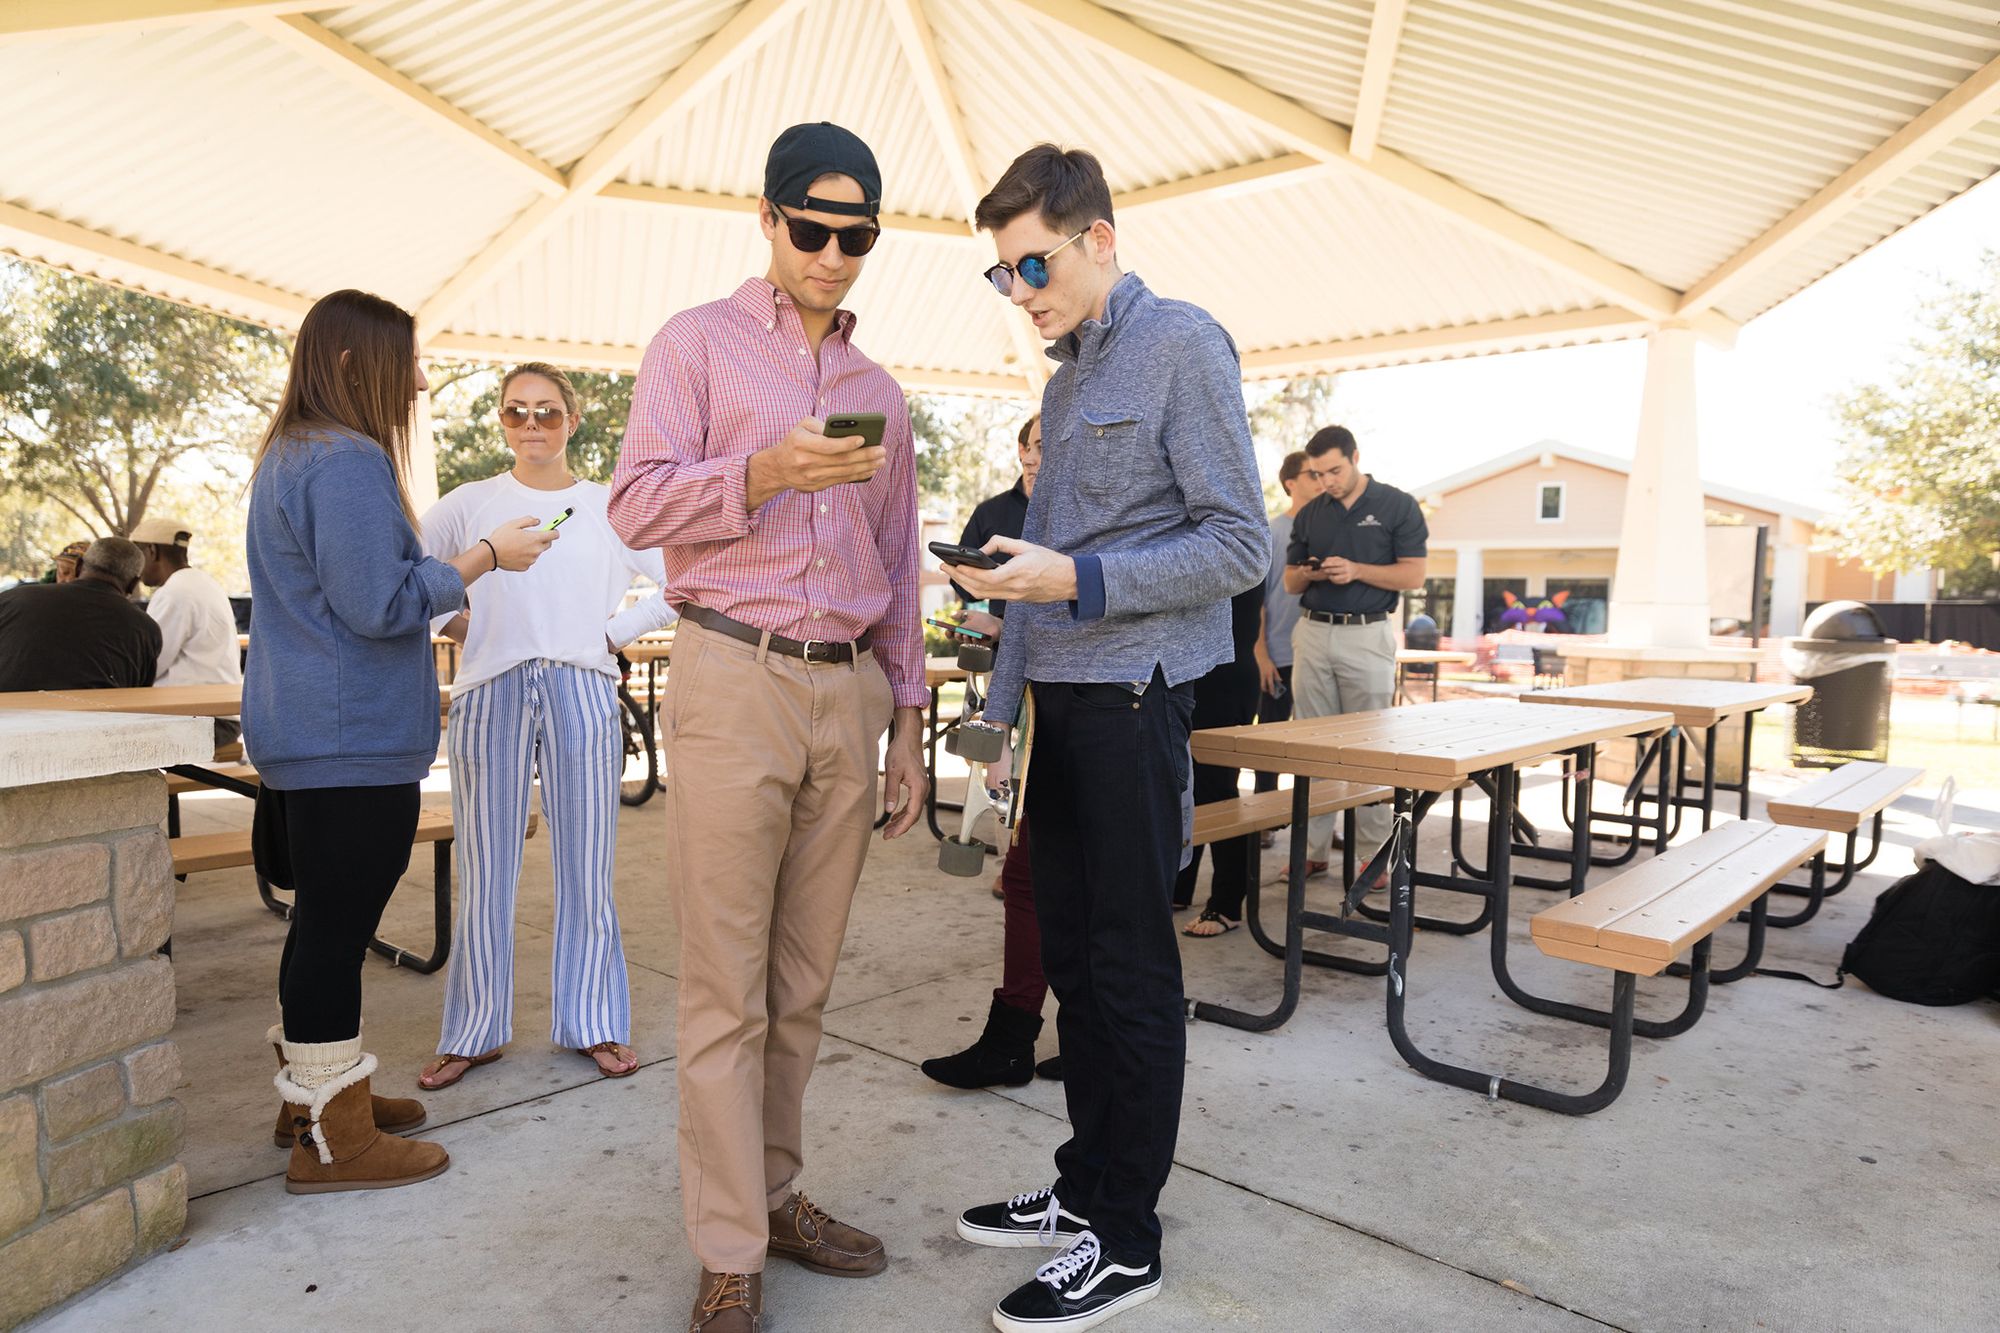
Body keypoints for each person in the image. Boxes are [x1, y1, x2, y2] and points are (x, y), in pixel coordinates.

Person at [606, 122, 927, 1333]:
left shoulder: (878, 391)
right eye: (815, 229)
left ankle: (775, 1193)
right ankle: (729, 1243)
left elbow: (897, 563)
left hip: (847, 689)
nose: (836, 254)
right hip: (732, 674)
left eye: (859, 236)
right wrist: (761, 474)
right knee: (723, 989)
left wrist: (904, 719)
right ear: (768, 217)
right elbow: (635, 504)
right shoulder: (692, 346)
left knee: (799, 985)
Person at [946, 144, 1267, 1333]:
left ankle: (1125, 1239)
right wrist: (993, 721)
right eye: (1001, 273)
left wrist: (1076, 575)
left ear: (1100, 239)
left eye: (1032, 262)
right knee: (1073, 962)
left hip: (1137, 697)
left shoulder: (1182, 342)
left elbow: (1240, 546)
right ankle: (1086, 1185)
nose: (1019, 288)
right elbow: (1038, 570)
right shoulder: (1065, 381)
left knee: (1129, 971)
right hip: (1062, 705)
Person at [244, 288, 556, 1195]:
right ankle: (330, 1142)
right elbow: (378, 601)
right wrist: (485, 558)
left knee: (321, 924)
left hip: (310, 727)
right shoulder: (343, 460)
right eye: (407, 359)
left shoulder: (293, 452)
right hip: (348, 733)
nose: (419, 380)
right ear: (352, 363)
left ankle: (315, 1095)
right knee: (338, 929)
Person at [415, 362, 676, 1092]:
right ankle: (472, 1030)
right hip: (489, 688)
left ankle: (593, 1020)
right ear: (500, 419)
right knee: (485, 866)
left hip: (583, 686)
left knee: (588, 864)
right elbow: (415, 578)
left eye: (547, 412)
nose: (531, 425)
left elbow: (681, 582)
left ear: (573, 420)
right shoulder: (467, 505)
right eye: (515, 411)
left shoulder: (608, 505)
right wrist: (469, 625)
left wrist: (612, 634)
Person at [921, 413, 1064, 1090]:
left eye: (1051, 449)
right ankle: (1025, 1036)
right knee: (1029, 878)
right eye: (1032, 448)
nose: (1037, 461)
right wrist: (1000, 720)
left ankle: (1039, 1040)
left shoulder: (1087, 519)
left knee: (1055, 881)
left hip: (1082, 713)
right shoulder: (1005, 513)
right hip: (1024, 700)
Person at [1285, 426, 1429, 880]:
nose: (1327, 480)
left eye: (1335, 470)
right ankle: (1312, 851)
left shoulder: (1397, 504)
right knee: (1313, 746)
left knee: (1368, 749)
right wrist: (1313, 573)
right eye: (1318, 473)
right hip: (1313, 631)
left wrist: (1356, 571)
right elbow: (1289, 581)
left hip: (1367, 635)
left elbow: (1413, 577)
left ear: (1355, 458)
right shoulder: (1310, 514)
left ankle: (1372, 857)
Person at [1177, 580, 1265, 934]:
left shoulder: (1232, 531)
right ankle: (1178, 886)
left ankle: (1228, 903)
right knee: (1182, 787)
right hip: (1190, 674)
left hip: (1225, 677)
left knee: (1217, 789)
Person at [132, 517, 245, 748]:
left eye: (137, 555)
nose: (135, 567)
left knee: (108, 739)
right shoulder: (205, 583)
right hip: (220, 716)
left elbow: (150, 663)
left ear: (152, 551)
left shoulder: (175, 593)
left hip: (202, 720)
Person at [1251, 451, 1314, 847]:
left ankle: (1321, 825)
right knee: (1271, 746)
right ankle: (1263, 821)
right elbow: (1256, 597)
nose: (1321, 479)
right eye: (1312, 473)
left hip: (1315, 653)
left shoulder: (1329, 527)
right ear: (1290, 482)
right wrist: (1260, 652)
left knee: (1316, 746)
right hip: (1276, 654)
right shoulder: (1273, 531)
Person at [0, 537, 160, 691]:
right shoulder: (145, 629)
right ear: (133, 584)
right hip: (98, 717)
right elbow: (137, 695)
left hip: (9, 716)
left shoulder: (12, 600)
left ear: (79, 566)